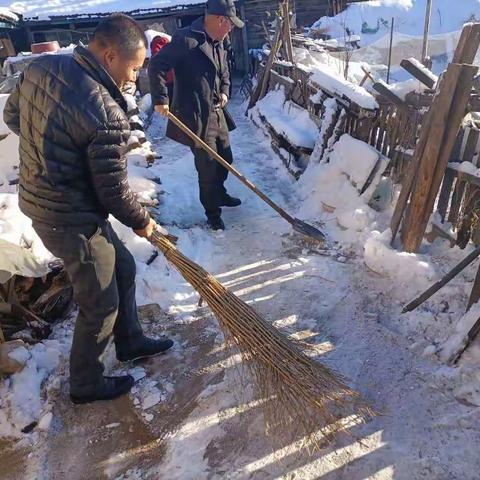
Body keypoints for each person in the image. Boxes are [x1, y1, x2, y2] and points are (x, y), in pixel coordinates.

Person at [3, 14, 173, 405]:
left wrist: (48, 156)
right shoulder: (106, 114)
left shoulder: (42, 66)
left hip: (45, 200)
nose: (133, 78)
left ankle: (129, 341)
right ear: (110, 55)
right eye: (133, 68)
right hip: (70, 216)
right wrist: (143, 222)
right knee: (100, 302)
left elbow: (14, 117)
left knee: (124, 269)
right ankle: (86, 383)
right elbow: (113, 191)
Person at [148, 0, 244, 231]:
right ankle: (213, 214)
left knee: (226, 158)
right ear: (221, 19)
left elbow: (225, 71)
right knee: (208, 165)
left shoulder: (221, 40)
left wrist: (224, 91)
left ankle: (219, 194)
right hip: (196, 115)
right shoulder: (186, 39)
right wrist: (160, 99)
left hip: (217, 111)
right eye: (231, 24)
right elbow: (157, 66)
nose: (231, 29)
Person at [150, 34, 175, 106]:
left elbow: (155, 62)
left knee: (167, 101)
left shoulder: (155, 46)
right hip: (174, 77)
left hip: (164, 80)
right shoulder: (167, 44)